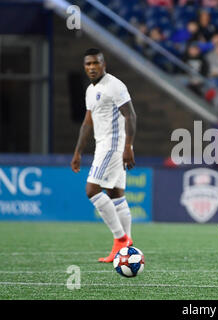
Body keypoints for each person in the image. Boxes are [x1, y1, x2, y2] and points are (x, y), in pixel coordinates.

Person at [71, 48, 137, 263]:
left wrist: (128, 146)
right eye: (88, 64)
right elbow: (87, 122)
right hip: (103, 145)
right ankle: (126, 248)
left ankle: (120, 239)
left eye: (95, 63)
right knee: (116, 194)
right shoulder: (91, 90)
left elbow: (131, 115)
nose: (91, 67)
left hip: (113, 145)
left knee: (91, 190)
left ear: (103, 64)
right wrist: (78, 151)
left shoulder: (114, 86)